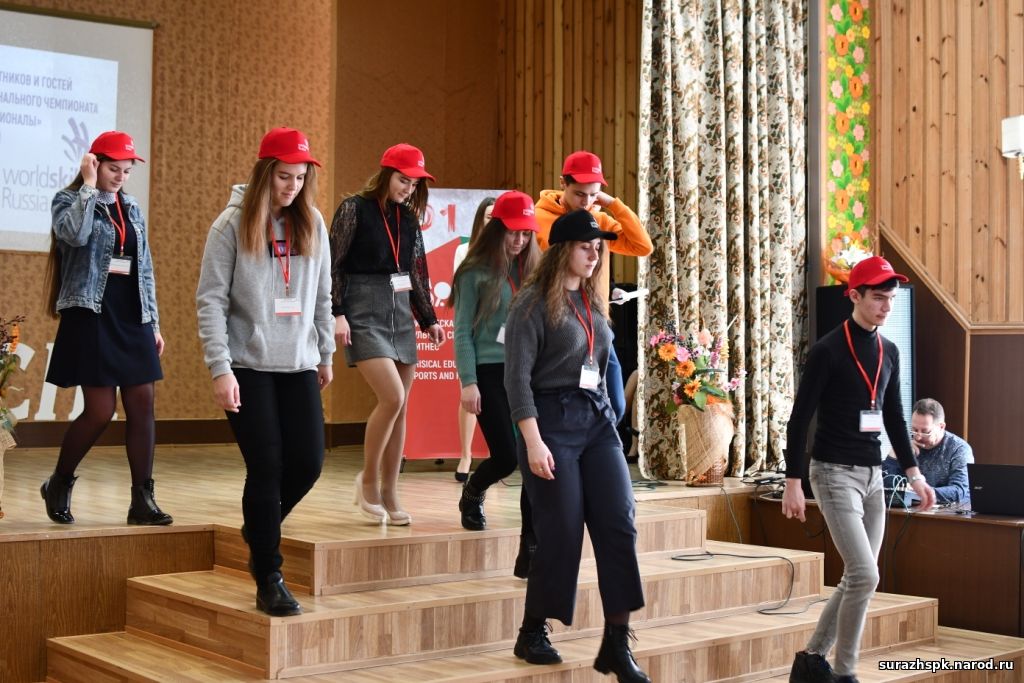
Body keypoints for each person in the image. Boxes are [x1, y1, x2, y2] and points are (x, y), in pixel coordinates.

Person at [504, 209, 649, 682]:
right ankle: (532, 630)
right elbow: (516, 380)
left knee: (619, 524)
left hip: (596, 423)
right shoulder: (530, 304)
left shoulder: (591, 300)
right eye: (586, 247)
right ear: (563, 249)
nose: (595, 255)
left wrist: (610, 412)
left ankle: (616, 644)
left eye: (599, 248)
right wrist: (532, 441)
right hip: (550, 422)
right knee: (562, 529)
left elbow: (601, 363)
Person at [196, 127, 334, 616]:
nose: (292, 186)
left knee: (309, 463)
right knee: (267, 466)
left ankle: (259, 527)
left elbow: (323, 295)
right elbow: (211, 301)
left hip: (298, 362)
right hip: (246, 365)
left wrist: (325, 354)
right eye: (283, 177)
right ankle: (269, 574)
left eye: (300, 177)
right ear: (264, 174)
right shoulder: (230, 225)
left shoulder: (313, 222)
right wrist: (220, 369)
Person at [782, 256, 937, 683]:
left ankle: (811, 660)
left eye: (891, 299)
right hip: (833, 473)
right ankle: (845, 673)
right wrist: (793, 482)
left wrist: (915, 474)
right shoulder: (827, 350)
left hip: (873, 476)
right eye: (878, 298)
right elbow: (799, 419)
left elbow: (893, 418)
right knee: (866, 574)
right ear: (854, 295)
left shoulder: (889, 351)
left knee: (859, 577)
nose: (887, 307)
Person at [41, 130, 172, 527]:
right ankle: (59, 481)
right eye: (114, 168)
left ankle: (142, 499)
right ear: (94, 163)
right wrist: (88, 186)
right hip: (91, 313)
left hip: (132, 316)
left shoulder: (131, 208)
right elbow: (74, 235)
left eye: (126, 170)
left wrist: (153, 322)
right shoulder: (68, 200)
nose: (120, 177)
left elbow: (144, 268)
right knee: (100, 411)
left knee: (143, 404)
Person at [330, 143, 445, 525]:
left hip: (399, 312)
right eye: (402, 180)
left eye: (414, 184)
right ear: (385, 174)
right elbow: (334, 264)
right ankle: (367, 481)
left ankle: (391, 490)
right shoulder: (354, 208)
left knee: (401, 407)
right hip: (362, 310)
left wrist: (428, 319)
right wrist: (337, 312)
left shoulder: (408, 219)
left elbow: (417, 272)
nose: (408, 189)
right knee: (392, 397)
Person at [534, 150, 653, 426]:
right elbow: (558, 256)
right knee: (572, 404)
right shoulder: (541, 217)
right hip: (560, 324)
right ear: (563, 183)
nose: (586, 202)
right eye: (579, 194)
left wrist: (613, 204)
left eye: (593, 195)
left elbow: (642, 246)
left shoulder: (597, 218)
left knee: (616, 405)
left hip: (597, 322)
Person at [450, 192, 539, 548]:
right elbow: (462, 331)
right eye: (513, 232)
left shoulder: (534, 271)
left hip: (527, 373)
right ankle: (473, 490)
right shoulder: (473, 272)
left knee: (532, 454)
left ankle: (532, 538)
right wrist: (468, 382)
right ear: (496, 228)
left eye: (526, 233)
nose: (520, 240)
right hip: (489, 371)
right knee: (505, 456)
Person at [452, 196, 495, 482]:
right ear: (480, 219)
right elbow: (461, 292)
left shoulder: (512, 251)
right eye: (489, 216)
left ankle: (496, 453)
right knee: (470, 392)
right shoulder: (464, 251)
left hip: (499, 337)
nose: (493, 222)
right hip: (473, 331)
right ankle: (465, 454)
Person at [883, 398, 973, 505]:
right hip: (910, 509)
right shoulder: (910, 445)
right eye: (914, 430)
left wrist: (920, 492)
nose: (918, 437)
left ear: (941, 427)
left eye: (925, 432)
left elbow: (959, 490)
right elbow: (886, 485)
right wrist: (894, 454)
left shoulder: (959, 449)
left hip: (949, 512)